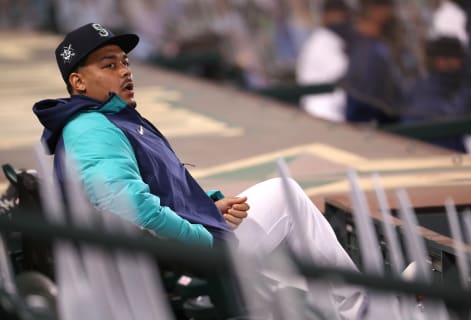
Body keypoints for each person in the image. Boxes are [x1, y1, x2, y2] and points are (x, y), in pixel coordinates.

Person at [32, 23, 366, 318]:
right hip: (176, 265)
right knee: (286, 196)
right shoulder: (92, 129)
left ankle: (336, 311)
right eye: (109, 65)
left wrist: (207, 206)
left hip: (166, 254)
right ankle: (366, 312)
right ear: (77, 81)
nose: (125, 71)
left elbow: (149, 193)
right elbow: (130, 208)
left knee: (281, 203)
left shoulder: (103, 118)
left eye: (125, 62)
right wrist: (207, 242)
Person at [296, 0, 353, 122]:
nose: (340, 20)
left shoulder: (336, 38)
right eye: (337, 16)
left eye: (343, 16)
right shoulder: (322, 40)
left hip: (334, 113)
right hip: (322, 114)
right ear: (325, 16)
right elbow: (345, 73)